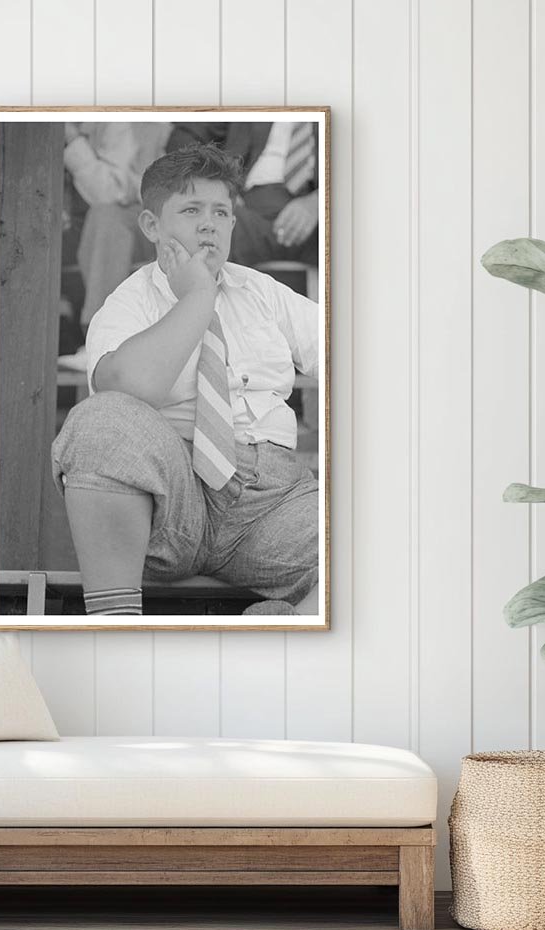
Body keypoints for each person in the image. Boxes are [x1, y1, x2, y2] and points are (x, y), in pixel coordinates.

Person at [50, 143, 320, 617]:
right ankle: (116, 629)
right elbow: (128, 391)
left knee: (380, 532)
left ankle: (288, 628)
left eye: (221, 211)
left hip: (273, 503)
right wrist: (197, 295)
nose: (208, 223)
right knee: (98, 419)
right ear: (153, 226)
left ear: (234, 224)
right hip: (173, 504)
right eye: (191, 209)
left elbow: (365, 361)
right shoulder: (128, 303)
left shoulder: (264, 294)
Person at [64, 121, 171, 329]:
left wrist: (72, 140)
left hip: (133, 224)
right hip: (65, 231)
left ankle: (103, 333)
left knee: (106, 217)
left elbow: (110, 192)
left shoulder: (121, 122)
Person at [167, 121, 319, 266]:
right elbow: (189, 134)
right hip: (239, 195)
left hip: (300, 214)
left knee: (215, 229)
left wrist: (319, 201)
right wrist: (210, 180)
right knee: (165, 217)